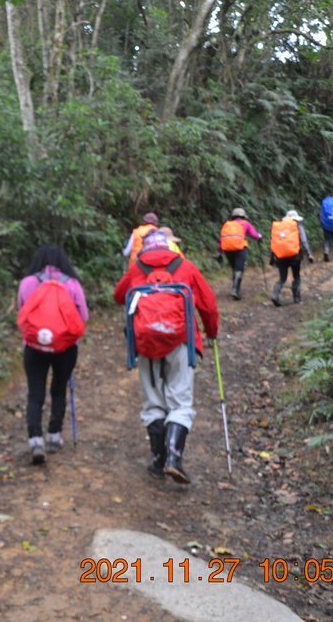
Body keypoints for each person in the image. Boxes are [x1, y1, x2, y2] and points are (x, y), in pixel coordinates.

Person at [114, 230, 219, 484]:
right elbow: (208, 305)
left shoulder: (136, 268)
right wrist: (211, 332)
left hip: (146, 342)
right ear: (169, 247)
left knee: (153, 401)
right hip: (181, 340)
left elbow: (119, 296)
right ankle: (174, 458)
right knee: (180, 400)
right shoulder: (186, 266)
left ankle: (158, 460)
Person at [17, 244, 89, 464]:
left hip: (34, 347)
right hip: (65, 348)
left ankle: (35, 440)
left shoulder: (28, 283)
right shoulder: (72, 284)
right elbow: (83, 316)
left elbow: (22, 314)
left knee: (35, 393)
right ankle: (54, 436)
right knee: (59, 389)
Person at [217, 207, 263, 300]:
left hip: (227, 250)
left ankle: (235, 288)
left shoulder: (227, 225)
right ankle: (235, 290)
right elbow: (254, 235)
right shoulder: (245, 224)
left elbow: (222, 238)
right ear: (243, 216)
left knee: (234, 268)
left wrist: (220, 251)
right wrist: (260, 236)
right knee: (239, 269)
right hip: (240, 249)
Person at [270, 210, 314, 306]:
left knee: (282, 278)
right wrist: (309, 254)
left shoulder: (279, 228)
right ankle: (297, 298)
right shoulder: (298, 227)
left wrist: (272, 258)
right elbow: (304, 241)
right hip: (295, 256)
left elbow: (274, 243)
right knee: (296, 276)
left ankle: (275, 295)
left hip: (280, 257)